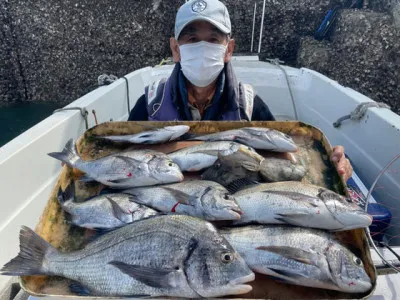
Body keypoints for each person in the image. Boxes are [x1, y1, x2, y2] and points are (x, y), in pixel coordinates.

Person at [128, 0, 353, 181]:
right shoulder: (150, 103)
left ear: (229, 50)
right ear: (176, 49)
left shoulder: (251, 105)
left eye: (214, 39)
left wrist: (328, 163)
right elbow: (125, 157)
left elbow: (282, 154)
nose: (203, 47)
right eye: (192, 38)